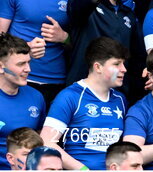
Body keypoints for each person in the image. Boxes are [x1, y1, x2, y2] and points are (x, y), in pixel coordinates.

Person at [40, 37, 129, 170]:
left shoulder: (120, 99)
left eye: (123, 63)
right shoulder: (70, 96)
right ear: (98, 67)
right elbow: (46, 142)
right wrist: (83, 170)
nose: (124, 69)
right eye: (117, 64)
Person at [64, 0, 146, 85]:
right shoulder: (86, 5)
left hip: (116, 97)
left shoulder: (128, 15)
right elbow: (75, 9)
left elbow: (137, 59)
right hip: (83, 93)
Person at [0, 34, 46, 163]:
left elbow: (40, 141)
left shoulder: (36, 97)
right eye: (21, 64)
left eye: (28, 62)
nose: (28, 69)